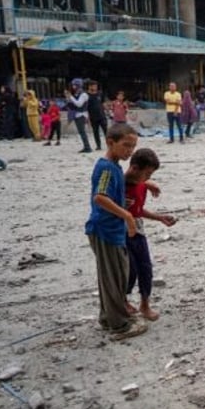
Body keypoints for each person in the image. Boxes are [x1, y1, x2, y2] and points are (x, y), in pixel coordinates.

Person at [84, 123, 148, 340]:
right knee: (114, 278)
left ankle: (108, 316)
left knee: (114, 275)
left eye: (133, 146)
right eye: (126, 146)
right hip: (105, 230)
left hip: (113, 231)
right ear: (111, 143)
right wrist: (127, 216)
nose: (129, 151)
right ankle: (119, 325)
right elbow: (100, 197)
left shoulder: (116, 167)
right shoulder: (106, 168)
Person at [124, 148, 176, 321]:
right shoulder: (119, 186)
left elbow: (138, 211)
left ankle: (144, 304)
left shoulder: (142, 186)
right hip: (121, 233)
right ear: (134, 168)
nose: (148, 178)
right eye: (146, 174)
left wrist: (159, 217)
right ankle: (123, 300)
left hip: (138, 231)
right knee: (129, 269)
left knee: (145, 268)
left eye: (150, 175)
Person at [65, 78, 93, 153]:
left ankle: (87, 147)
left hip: (81, 115)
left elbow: (79, 104)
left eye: (74, 85)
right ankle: (86, 146)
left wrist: (70, 97)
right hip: (77, 114)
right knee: (81, 132)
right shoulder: (77, 93)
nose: (73, 86)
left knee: (82, 132)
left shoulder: (83, 94)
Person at [86, 80, 108, 151]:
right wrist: (87, 118)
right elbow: (85, 108)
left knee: (106, 131)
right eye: (94, 86)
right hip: (93, 117)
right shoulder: (86, 95)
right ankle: (98, 145)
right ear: (90, 86)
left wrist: (108, 111)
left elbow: (103, 103)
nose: (95, 87)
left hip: (102, 116)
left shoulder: (100, 93)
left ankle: (109, 144)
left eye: (96, 86)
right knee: (96, 132)